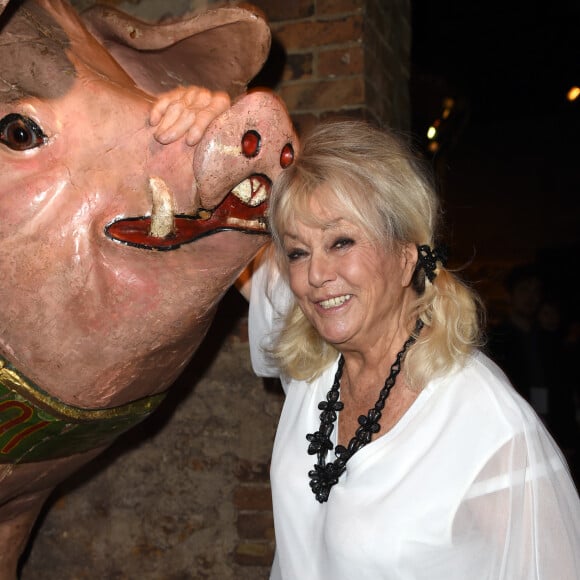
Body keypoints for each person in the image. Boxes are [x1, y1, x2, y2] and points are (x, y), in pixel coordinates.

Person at [152, 94, 580, 579]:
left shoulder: (488, 428)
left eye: (341, 242)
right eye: (296, 252)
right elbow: (220, 208)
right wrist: (200, 120)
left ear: (405, 255)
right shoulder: (316, 362)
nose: (315, 275)